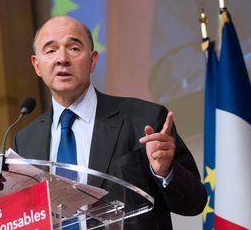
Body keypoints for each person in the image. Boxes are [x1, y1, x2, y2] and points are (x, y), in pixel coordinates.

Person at [13, 16, 207, 230]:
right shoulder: (25, 142)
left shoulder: (144, 118)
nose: (62, 59)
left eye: (74, 48)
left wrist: (165, 172)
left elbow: (194, 203)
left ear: (93, 60)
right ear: (37, 65)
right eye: (51, 50)